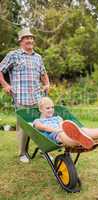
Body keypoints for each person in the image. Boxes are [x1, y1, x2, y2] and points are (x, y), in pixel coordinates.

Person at [0, 28, 50, 163]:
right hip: (21, 97)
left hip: (37, 98)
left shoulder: (38, 57)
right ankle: (22, 153)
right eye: (26, 38)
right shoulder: (13, 55)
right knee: (23, 127)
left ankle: (43, 150)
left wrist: (47, 84)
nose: (30, 40)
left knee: (42, 124)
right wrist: (5, 85)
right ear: (20, 41)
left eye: (31, 38)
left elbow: (43, 73)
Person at [33, 97, 98, 149]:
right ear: (40, 109)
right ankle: (79, 141)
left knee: (83, 130)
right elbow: (43, 128)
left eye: (52, 107)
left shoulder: (57, 117)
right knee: (61, 134)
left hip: (66, 132)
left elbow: (62, 124)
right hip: (55, 136)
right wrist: (59, 130)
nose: (51, 110)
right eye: (48, 108)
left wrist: (64, 127)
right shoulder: (38, 121)